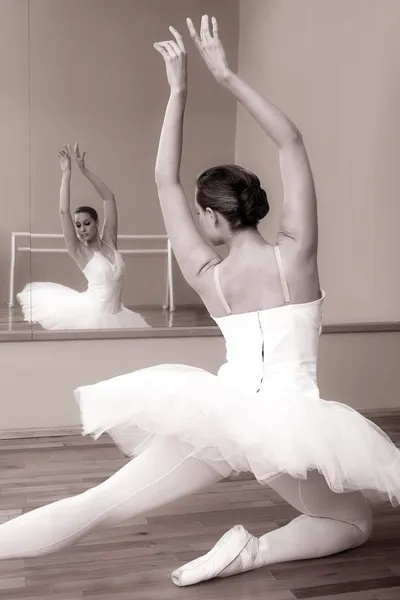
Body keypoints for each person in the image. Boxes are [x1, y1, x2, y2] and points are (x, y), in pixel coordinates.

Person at [1, 16, 399, 588]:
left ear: (211, 217)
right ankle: (251, 551)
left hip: (220, 415)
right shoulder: (297, 258)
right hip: (289, 429)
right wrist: (227, 74)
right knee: (352, 522)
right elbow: (291, 141)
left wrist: (179, 89)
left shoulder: (206, 273)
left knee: (102, 502)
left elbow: (163, 179)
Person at [17, 143, 149, 330]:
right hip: (92, 316)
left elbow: (109, 198)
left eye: (87, 223)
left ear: (96, 222)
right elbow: (64, 212)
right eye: (78, 225)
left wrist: (84, 170)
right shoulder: (79, 251)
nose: (82, 229)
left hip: (118, 314)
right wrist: (66, 174)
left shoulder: (110, 241)